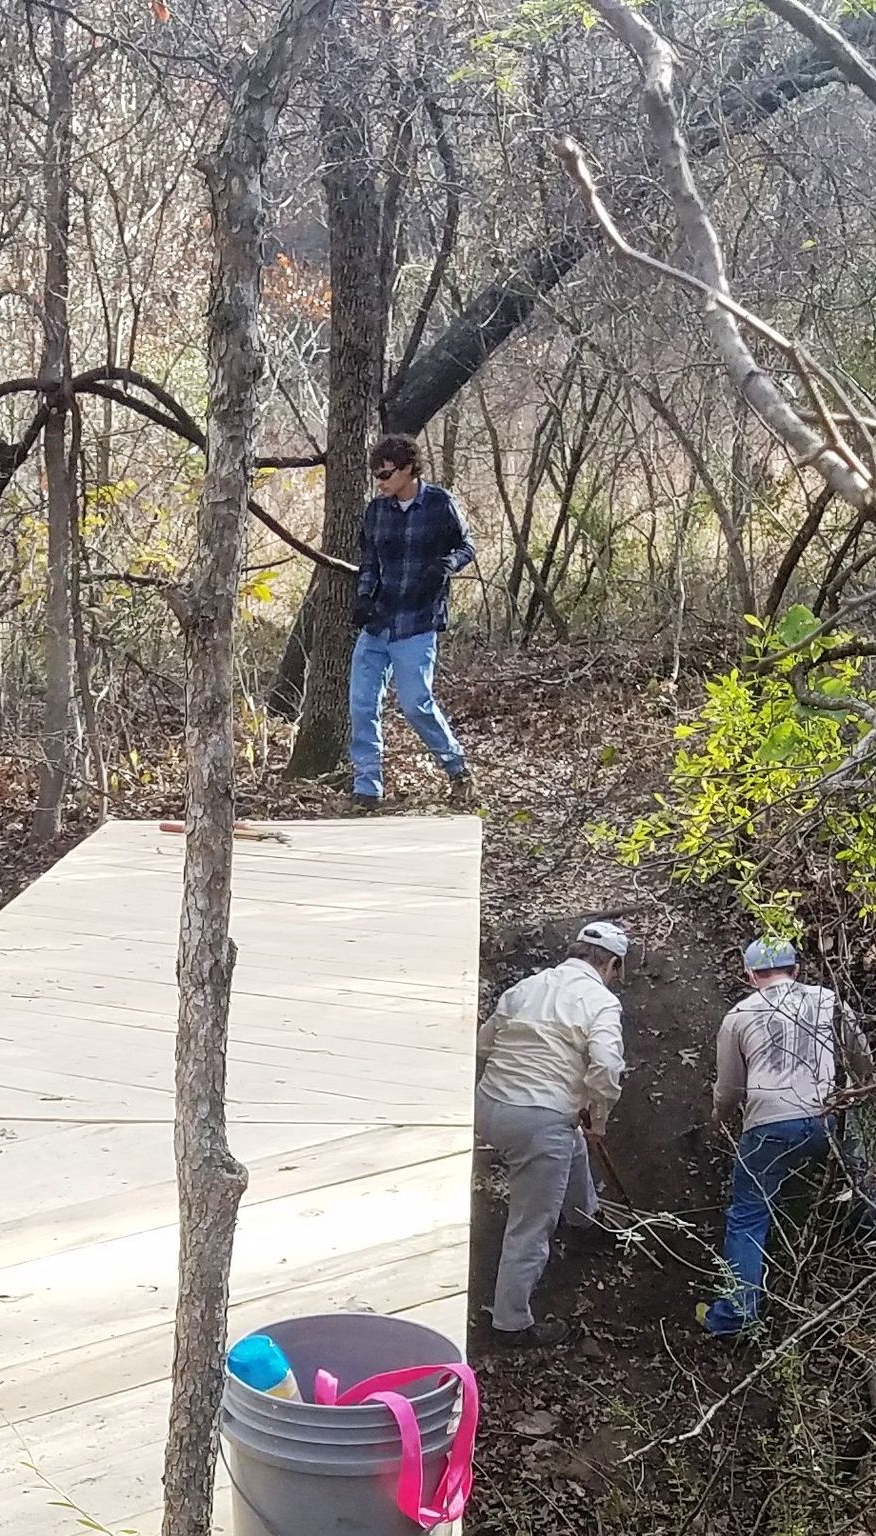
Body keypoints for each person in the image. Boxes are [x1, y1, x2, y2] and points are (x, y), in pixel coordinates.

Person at [703, 936, 876, 1336]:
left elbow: (729, 1089)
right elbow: (863, 1059)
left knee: (748, 1215)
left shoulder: (739, 1015)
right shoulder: (827, 1000)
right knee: (866, 1180)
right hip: (826, 1116)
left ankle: (736, 1314)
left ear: (750, 975)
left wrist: (719, 1120)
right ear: (796, 970)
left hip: (767, 1123)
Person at [476, 917, 631, 1347]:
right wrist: (598, 1117)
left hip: (489, 1105)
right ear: (612, 966)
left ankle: (583, 1220)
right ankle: (511, 1321)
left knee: (570, 1142)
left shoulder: (528, 987)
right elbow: (606, 1067)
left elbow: (484, 1044)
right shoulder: (600, 1002)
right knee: (531, 1222)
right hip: (539, 1121)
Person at [348, 434, 477, 810]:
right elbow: (370, 562)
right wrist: (363, 599)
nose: (381, 482)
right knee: (361, 705)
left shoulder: (439, 504)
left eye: (387, 474)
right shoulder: (376, 511)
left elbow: (466, 546)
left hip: (417, 622)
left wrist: (446, 566)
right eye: (377, 475)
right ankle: (367, 789)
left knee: (416, 703)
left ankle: (457, 770)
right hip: (378, 624)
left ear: (407, 469)